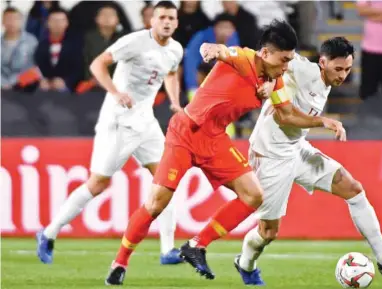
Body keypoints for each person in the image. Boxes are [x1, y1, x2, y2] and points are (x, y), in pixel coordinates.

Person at [106, 19, 348, 285]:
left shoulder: (276, 80)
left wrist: (322, 121)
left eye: (290, 60)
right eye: (283, 60)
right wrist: (210, 49)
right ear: (265, 53)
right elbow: (220, 50)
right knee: (155, 205)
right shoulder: (243, 57)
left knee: (253, 195)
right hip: (186, 133)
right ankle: (120, 261)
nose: (286, 66)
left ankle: (196, 246)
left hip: (215, 139)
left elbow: (288, 114)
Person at [234, 37, 382, 285]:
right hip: (269, 156)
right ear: (322, 62)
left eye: (347, 69)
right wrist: (233, 57)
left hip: (296, 148)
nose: (343, 75)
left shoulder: (326, 81)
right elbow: (262, 59)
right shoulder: (302, 68)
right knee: (268, 232)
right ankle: (245, 264)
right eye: (338, 69)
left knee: (354, 189)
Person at [35, 1, 184, 266]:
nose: (166, 22)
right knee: (97, 184)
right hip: (118, 121)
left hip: (146, 122)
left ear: (176, 22)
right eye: (161, 17)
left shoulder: (175, 49)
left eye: (171, 18)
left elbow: (171, 73)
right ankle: (48, 233)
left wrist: (174, 100)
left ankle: (167, 250)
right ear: (152, 21)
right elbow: (97, 65)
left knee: (167, 182)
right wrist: (115, 93)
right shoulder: (134, 41)